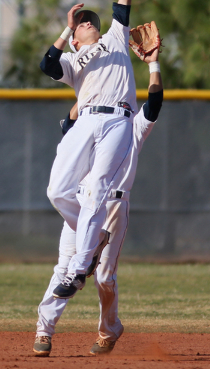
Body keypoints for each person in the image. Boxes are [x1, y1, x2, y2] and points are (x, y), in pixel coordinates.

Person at [34, 46, 163, 357]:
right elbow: (67, 125)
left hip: (114, 208)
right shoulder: (88, 125)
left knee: (104, 277)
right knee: (64, 268)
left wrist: (153, 63)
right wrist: (89, 90)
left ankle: (109, 330)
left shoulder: (132, 126)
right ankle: (44, 330)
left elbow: (154, 103)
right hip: (82, 206)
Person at [40, 0, 139, 300]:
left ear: (94, 28)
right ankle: (94, 236)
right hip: (86, 121)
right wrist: (65, 32)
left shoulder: (116, 38)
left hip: (117, 121)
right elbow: (47, 66)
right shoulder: (71, 59)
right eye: (81, 24)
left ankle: (80, 267)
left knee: (96, 187)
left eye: (85, 23)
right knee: (58, 191)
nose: (84, 25)